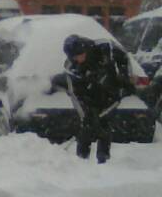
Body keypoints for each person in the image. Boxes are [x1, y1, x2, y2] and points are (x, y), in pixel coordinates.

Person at [52, 34, 134, 164]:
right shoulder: (72, 68)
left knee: (103, 124)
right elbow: (75, 94)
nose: (78, 60)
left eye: (79, 55)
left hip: (111, 92)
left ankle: (103, 159)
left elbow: (123, 58)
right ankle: (81, 159)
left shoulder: (105, 47)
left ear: (84, 49)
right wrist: (85, 113)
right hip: (89, 95)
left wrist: (125, 79)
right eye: (74, 57)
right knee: (87, 126)